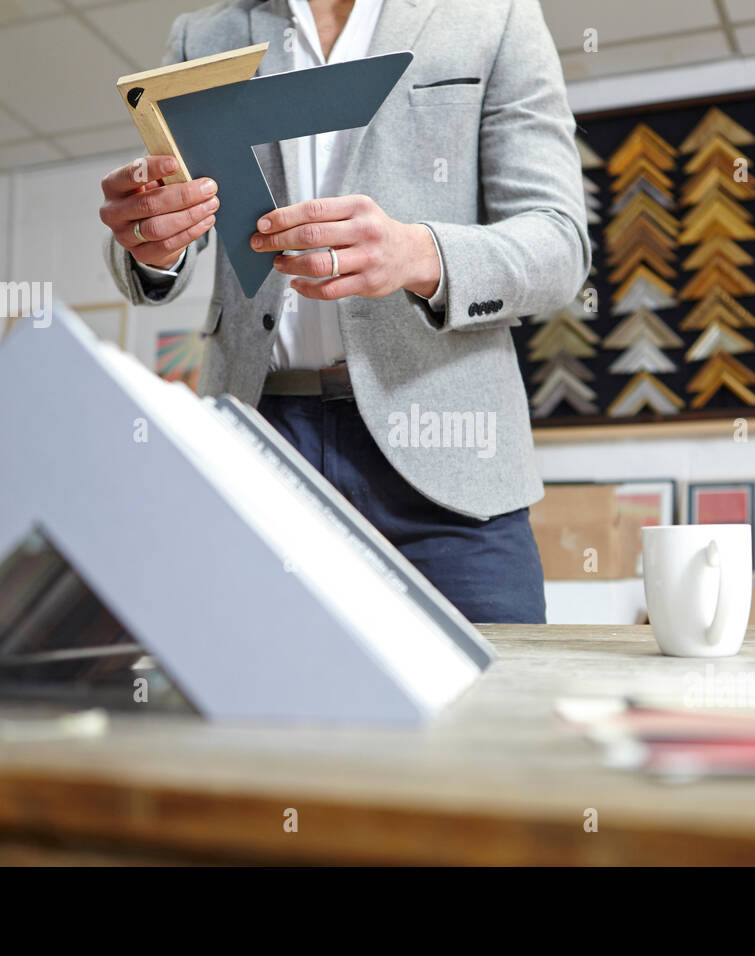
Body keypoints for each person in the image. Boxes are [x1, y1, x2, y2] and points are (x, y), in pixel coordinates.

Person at [100, 0, 589, 623]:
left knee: (490, 712)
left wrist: (417, 254)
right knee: (251, 709)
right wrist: (152, 242)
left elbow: (559, 244)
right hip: (258, 443)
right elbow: (171, 225)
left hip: (449, 460)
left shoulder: (494, 15)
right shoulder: (203, 34)